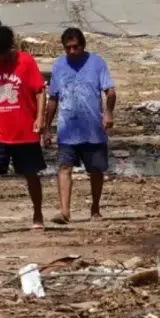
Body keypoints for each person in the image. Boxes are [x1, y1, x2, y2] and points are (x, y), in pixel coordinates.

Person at [0, 25, 48, 234]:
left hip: (24, 131)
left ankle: (37, 214)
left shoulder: (26, 61)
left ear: (11, 48)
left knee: (30, 173)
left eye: (2, 54)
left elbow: (40, 91)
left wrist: (40, 119)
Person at [43, 28, 116, 222]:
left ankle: (95, 208)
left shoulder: (97, 63)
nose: (72, 51)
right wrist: (46, 128)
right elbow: (53, 98)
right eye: (68, 48)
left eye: (75, 47)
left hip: (92, 128)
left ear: (83, 45)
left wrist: (108, 113)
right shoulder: (59, 66)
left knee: (96, 170)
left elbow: (110, 92)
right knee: (64, 167)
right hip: (67, 129)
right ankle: (65, 211)